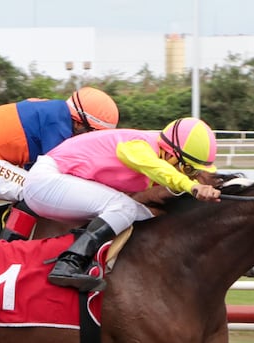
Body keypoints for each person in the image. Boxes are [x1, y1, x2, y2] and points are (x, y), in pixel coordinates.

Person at [19, 117, 222, 292]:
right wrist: (192, 186)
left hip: (56, 184)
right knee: (123, 207)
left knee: (142, 213)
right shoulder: (140, 145)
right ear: (170, 154)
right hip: (46, 180)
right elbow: (159, 170)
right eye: (188, 169)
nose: (189, 175)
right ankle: (68, 264)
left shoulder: (154, 156)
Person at [0, 86, 119, 241]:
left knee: (39, 187)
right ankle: (7, 248)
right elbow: (63, 176)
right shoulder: (57, 121)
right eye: (91, 134)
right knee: (37, 191)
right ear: (78, 122)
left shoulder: (55, 112)